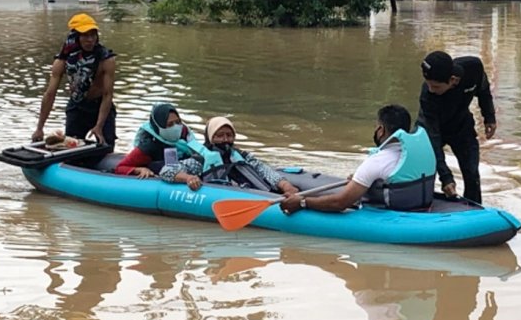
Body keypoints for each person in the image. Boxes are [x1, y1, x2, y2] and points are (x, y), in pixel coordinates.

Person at [280, 104, 436, 214]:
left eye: (377, 126)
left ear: (381, 130)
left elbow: (340, 203)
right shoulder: (424, 151)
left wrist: (302, 202)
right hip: (421, 204)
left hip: (393, 213)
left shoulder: (377, 161)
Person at [416, 51, 496, 203]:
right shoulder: (427, 95)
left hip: (461, 126)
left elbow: (484, 90)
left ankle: (474, 210)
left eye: (435, 86)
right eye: (428, 84)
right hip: (431, 129)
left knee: (472, 174)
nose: (431, 89)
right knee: (424, 171)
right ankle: (423, 205)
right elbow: (433, 137)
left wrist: (489, 117)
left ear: (453, 80)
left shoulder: (473, 69)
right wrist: (446, 177)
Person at [32, 13, 117, 151]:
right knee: (71, 148)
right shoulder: (62, 61)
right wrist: (39, 128)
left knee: (106, 147)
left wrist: (99, 126)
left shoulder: (106, 59)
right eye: (85, 36)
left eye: (93, 35)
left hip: (100, 106)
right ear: (76, 37)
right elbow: (50, 94)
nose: (90, 40)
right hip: (77, 106)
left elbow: (108, 95)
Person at [159, 116, 299, 194]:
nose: (225, 139)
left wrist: (286, 186)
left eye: (229, 135)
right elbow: (167, 170)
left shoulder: (241, 155)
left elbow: (263, 170)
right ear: (210, 138)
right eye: (219, 136)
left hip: (256, 193)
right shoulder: (200, 161)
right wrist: (189, 178)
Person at [115, 102, 195, 178]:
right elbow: (120, 167)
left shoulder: (185, 138)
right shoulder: (149, 146)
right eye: (170, 124)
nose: (176, 127)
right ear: (158, 126)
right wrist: (139, 170)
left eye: (178, 122)